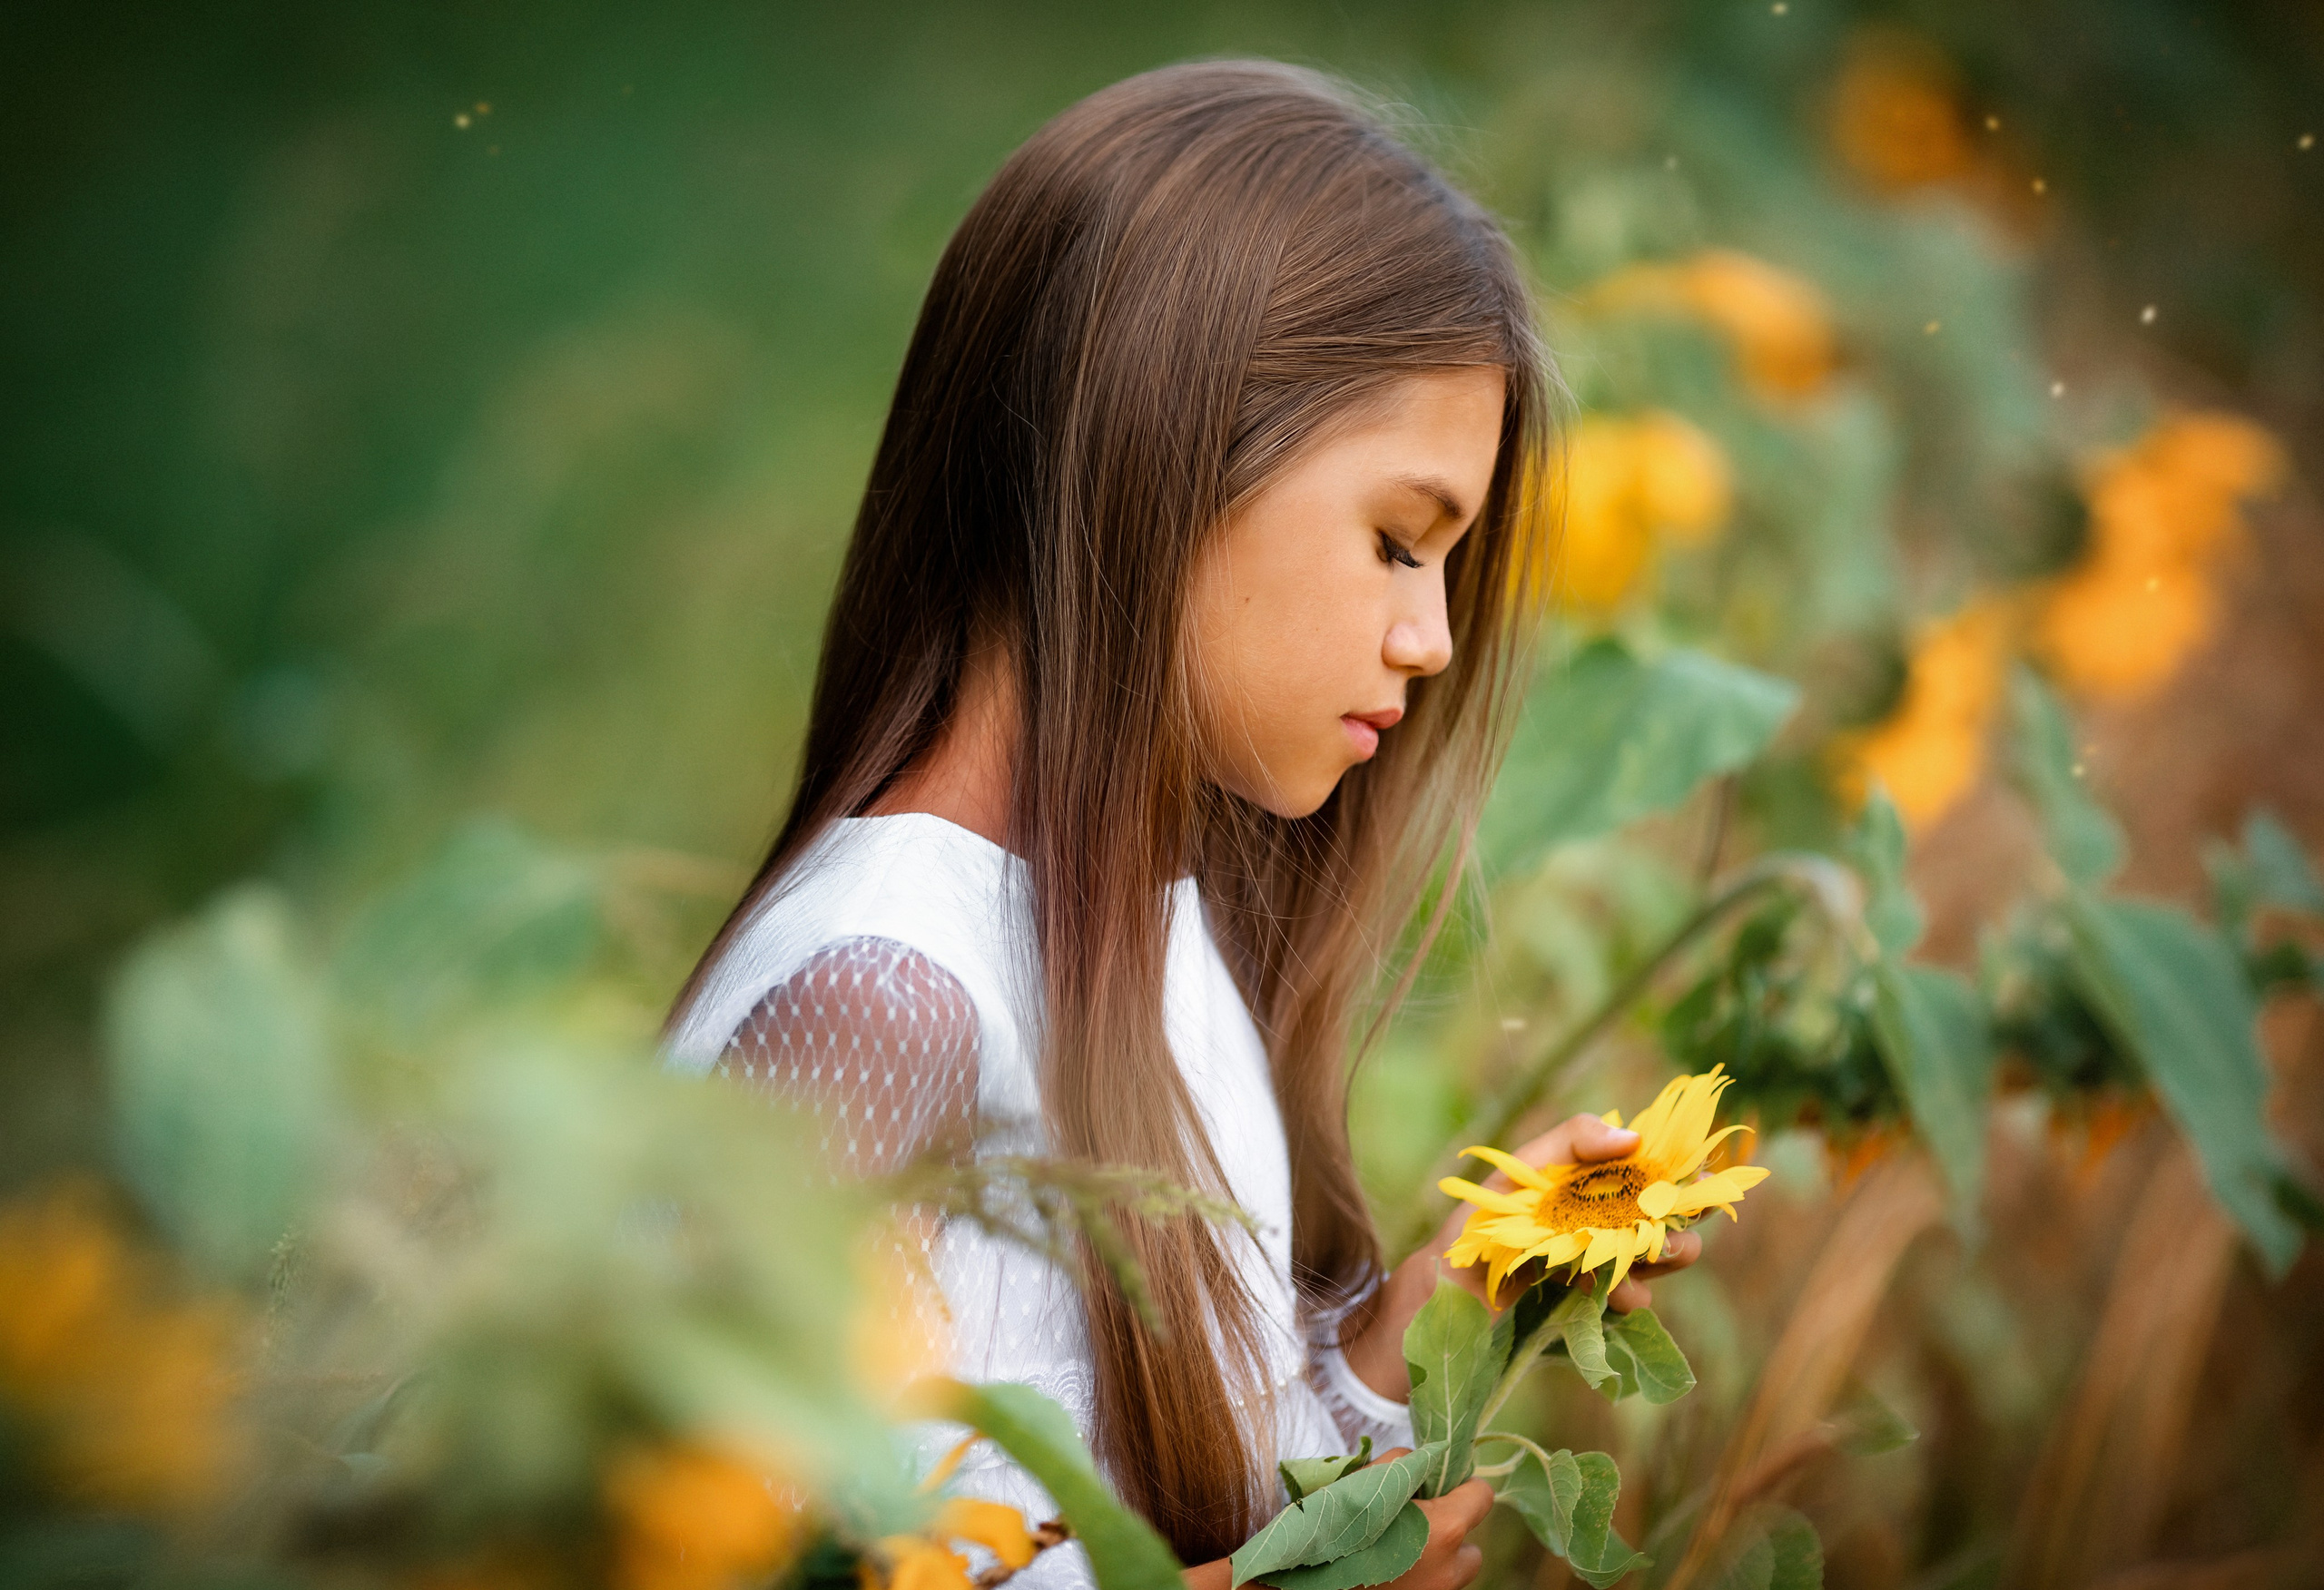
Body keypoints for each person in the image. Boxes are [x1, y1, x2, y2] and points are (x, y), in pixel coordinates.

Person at [665, 59, 1698, 1590]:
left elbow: (1145, 1509)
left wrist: (1430, 1320)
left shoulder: (1156, 933)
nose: (1433, 640)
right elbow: (727, 1553)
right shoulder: (884, 998)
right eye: (1399, 543)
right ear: (1163, 446)